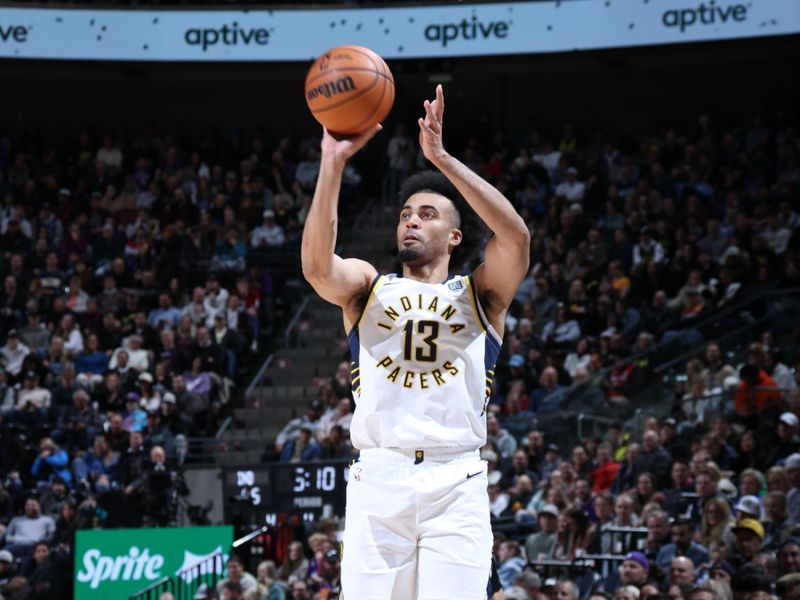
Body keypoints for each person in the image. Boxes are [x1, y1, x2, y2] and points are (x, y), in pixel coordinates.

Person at [301, 84, 530, 600]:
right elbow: (317, 267)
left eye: (427, 215)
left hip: (456, 478)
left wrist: (442, 160)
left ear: (454, 236)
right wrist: (331, 164)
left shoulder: (480, 294)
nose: (411, 220)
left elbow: (516, 237)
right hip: (380, 478)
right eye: (406, 213)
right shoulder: (368, 285)